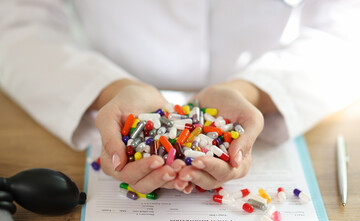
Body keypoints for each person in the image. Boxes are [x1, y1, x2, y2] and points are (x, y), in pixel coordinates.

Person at [0, 0, 359, 195]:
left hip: (266, 81)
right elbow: (16, 23)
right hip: (109, 75)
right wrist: (109, 89)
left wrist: (250, 91)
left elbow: (345, 31)